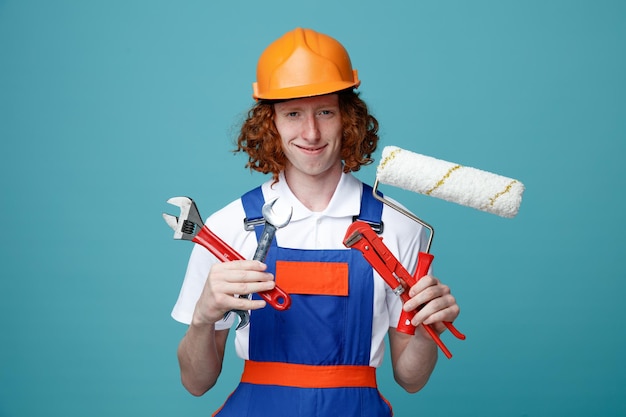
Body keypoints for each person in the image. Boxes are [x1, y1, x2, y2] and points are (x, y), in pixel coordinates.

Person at [171, 27, 460, 417]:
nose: (311, 133)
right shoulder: (224, 228)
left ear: (348, 120)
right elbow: (195, 383)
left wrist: (428, 328)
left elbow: (410, 379)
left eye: (325, 111)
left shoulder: (397, 227)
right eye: (293, 114)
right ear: (270, 123)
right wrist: (203, 317)